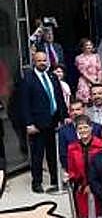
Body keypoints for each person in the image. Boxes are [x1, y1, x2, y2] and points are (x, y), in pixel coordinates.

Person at [19, 50, 68, 193]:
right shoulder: (28, 79)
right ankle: (37, 182)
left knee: (53, 153)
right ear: (34, 61)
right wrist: (29, 123)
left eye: (44, 60)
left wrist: (64, 116)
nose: (43, 63)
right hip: (37, 124)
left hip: (53, 122)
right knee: (38, 154)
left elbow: (59, 98)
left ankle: (54, 179)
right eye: (39, 60)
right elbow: (24, 104)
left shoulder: (52, 76)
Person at [74, 38, 102, 104]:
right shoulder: (79, 58)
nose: (89, 46)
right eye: (87, 45)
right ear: (83, 47)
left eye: (90, 45)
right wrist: (92, 81)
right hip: (85, 81)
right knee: (86, 101)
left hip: (96, 80)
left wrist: (98, 80)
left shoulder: (96, 56)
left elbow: (99, 69)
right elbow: (83, 71)